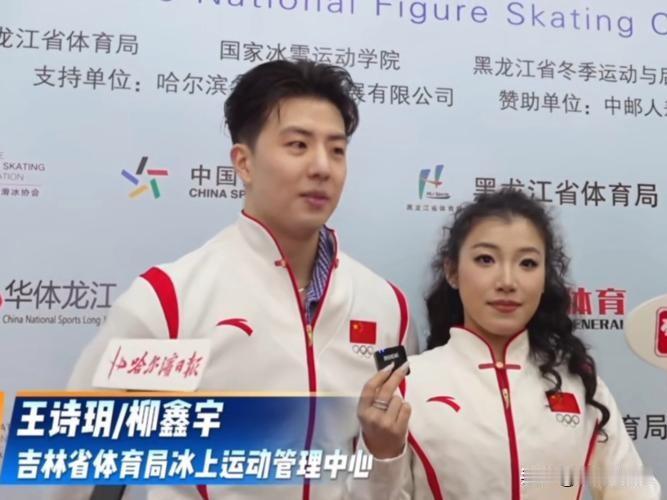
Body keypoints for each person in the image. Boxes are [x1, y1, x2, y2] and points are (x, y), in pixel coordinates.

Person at [63, 60, 415, 500]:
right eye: (298, 145)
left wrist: (384, 457)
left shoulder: (386, 307)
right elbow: (74, 467)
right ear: (244, 162)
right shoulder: (170, 301)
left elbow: (392, 472)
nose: (322, 167)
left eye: (337, 150)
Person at [356, 189, 661, 499]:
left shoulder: (578, 381)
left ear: (544, 277)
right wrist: (381, 454)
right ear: (452, 271)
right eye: (485, 259)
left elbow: (634, 490)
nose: (507, 281)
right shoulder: (407, 385)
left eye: (527, 263)